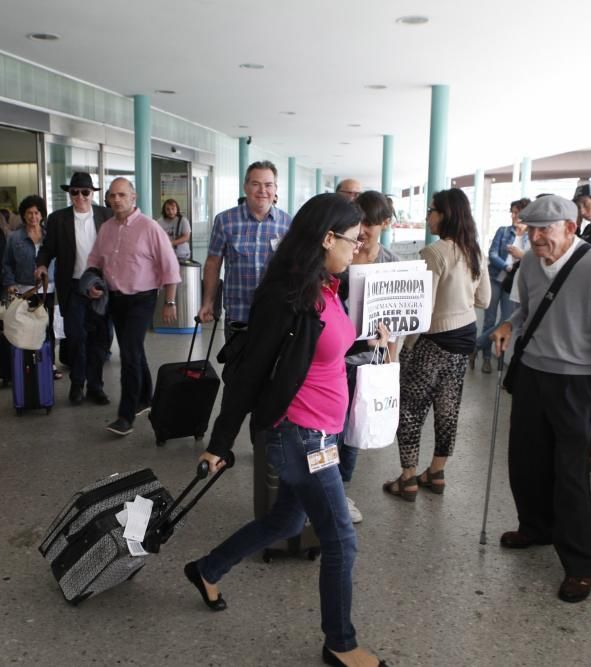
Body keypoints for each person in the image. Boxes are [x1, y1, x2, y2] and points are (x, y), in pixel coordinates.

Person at [185, 193, 388, 667]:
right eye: (355, 240)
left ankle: (206, 569)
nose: (359, 247)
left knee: (286, 522)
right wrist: (218, 444)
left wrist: (365, 340)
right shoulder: (285, 296)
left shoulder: (327, 286)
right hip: (300, 434)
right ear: (327, 238)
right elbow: (249, 372)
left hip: (322, 431)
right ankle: (340, 643)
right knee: (340, 538)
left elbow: (322, 346)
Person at [491, 195, 591, 603]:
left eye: (545, 229)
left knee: (569, 474)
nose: (536, 237)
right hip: (533, 375)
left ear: (570, 228)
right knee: (525, 460)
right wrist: (508, 324)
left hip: (577, 382)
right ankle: (535, 527)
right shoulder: (531, 264)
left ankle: (580, 563)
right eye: (531, 228)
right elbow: (529, 310)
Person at [384, 188, 490, 501]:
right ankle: (437, 471)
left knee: (411, 409)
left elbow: (421, 311)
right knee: (448, 407)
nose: (428, 215)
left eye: (431, 210)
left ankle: (408, 478)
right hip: (465, 337)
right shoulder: (474, 250)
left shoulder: (435, 252)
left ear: (445, 215)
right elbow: (484, 299)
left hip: (435, 339)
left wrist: (403, 347)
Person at [86, 178, 180, 436]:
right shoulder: (106, 229)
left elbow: (170, 267)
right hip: (115, 300)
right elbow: (94, 261)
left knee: (128, 353)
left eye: (122, 195)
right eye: (112, 195)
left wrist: (169, 302)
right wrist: (93, 282)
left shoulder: (150, 228)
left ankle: (125, 416)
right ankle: (146, 398)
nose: (117, 200)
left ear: (133, 197)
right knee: (134, 349)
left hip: (142, 299)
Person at [336, 190, 400, 524]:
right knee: (328, 429)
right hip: (333, 359)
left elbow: (398, 319)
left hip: (367, 361)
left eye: (369, 224)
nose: (361, 230)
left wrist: (391, 357)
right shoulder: (340, 255)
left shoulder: (390, 263)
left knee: (354, 430)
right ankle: (323, 491)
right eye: (358, 222)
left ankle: (340, 491)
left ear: (385, 224)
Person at [35, 172, 111, 405]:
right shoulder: (58, 219)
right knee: (76, 338)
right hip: (74, 286)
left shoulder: (106, 216)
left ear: (92, 194)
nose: (79, 197)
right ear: (69, 194)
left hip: (101, 285)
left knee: (100, 339)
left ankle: (96, 386)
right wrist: (41, 265)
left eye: (85, 192)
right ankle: (77, 385)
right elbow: (48, 249)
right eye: (74, 192)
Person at [199, 160, 291, 336]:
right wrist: (208, 302)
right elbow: (213, 263)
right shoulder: (225, 221)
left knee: (271, 364)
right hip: (238, 314)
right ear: (245, 187)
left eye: (268, 185)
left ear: (275, 188)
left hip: (276, 313)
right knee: (236, 363)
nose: (262, 190)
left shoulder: (288, 224)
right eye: (255, 184)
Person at [3, 195, 63, 379]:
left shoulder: (49, 236)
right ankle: (27, 364)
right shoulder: (15, 238)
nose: (33, 217)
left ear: (42, 214)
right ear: (23, 215)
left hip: (48, 290)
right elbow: (7, 263)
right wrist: (10, 283)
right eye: (29, 213)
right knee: (27, 329)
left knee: (48, 327)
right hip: (24, 290)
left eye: (36, 213)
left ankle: (50, 364)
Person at [472, 198, 530, 373]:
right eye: (512, 212)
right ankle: (487, 359)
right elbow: (492, 253)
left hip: (512, 284)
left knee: (506, 320)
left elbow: (529, 259)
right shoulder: (503, 231)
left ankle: (475, 346)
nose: (513, 215)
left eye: (517, 212)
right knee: (489, 319)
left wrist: (520, 256)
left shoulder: (531, 236)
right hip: (496, 278)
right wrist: (507, 266)